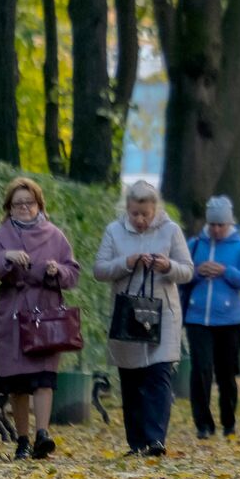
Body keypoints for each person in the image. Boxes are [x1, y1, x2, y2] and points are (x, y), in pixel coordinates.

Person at [0, 178, 81, 461]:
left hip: (44, 315)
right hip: (12, 317)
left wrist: (57, 271)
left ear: (39, 205)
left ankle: (42, 434)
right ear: (8, 208)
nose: (23, 208)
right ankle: (22, 440)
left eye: (28, 203)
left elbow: (74, 273)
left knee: (44, 379)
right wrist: (5, 257)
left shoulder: (55, 235)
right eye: (17, 204)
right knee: (18, 383)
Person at [94, 180, 194, 458]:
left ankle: (155, 440)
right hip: (127, 315)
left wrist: (167, 266)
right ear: (127, 208)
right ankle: (136, 442)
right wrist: (126, 263)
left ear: (155, 210)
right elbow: (99, 270)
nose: (140, 220)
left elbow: (187, 270)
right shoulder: (113, 232)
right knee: (131, 379)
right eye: (135, 213)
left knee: (158, 375)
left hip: (163, 315)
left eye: (145, 214)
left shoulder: (171, 231)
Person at [181, 195, 240, 440]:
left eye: (221, 225)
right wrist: (197, 272)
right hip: (197, 318)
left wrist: (226, 272)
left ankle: (229, 421)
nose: (216, 229)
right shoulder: (195, 244)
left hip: (230, 321)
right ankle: (203, 424)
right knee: (201, 370)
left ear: (229, 223)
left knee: (226, 374)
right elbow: (181, 275)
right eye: (212, 224)